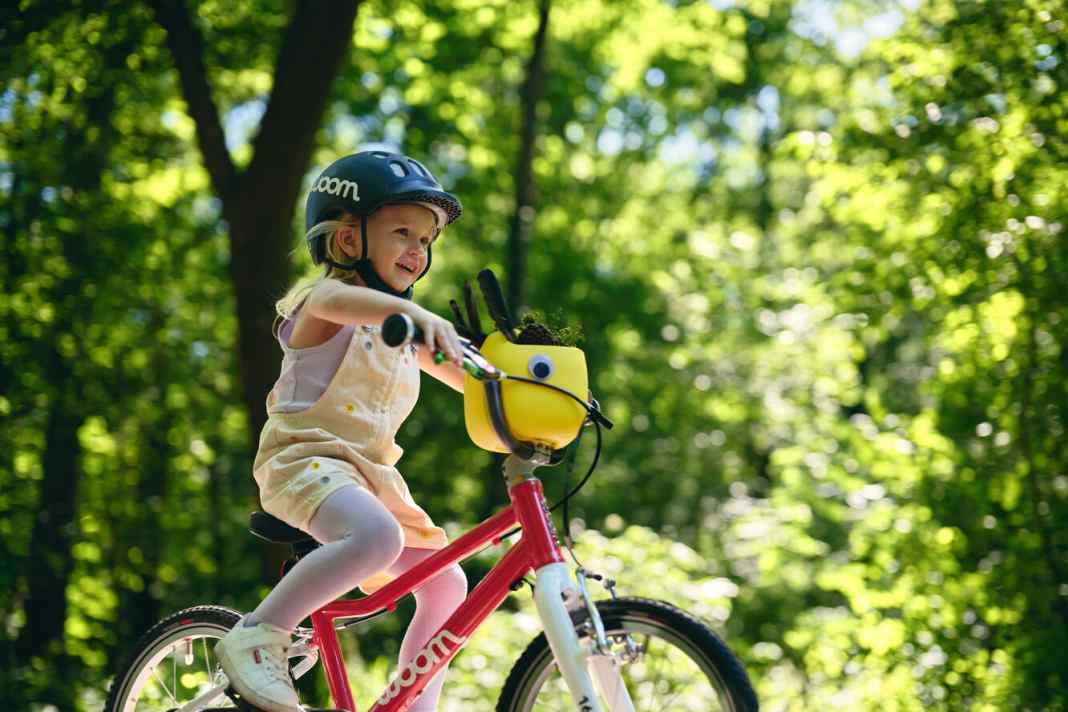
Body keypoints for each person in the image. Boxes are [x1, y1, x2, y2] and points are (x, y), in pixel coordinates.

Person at [214, 150, 469, 712]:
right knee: (380, 539)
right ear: (349, 240)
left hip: (369, 482)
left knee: (447, 582)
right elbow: (339, 300)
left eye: (426, 240)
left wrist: (529, 388)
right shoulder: (322, 302)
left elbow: (474, 381)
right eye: (402, 232)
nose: (417, 250)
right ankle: (258, 635)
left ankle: (414, 706)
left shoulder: (401, 330)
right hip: (302, 463)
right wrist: (418, 318)